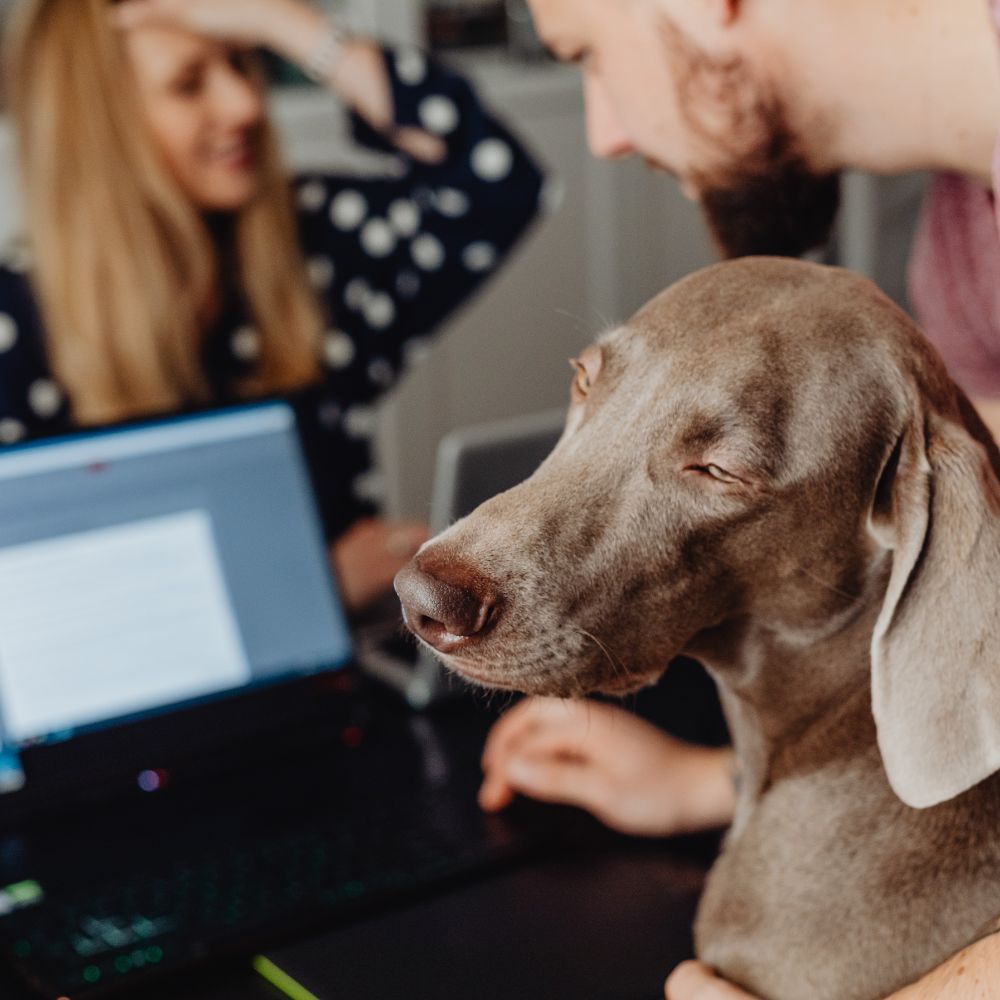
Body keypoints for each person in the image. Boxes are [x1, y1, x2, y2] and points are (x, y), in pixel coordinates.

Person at [480, 1, 1000, 997]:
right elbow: (960, 601)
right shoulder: (960, 244)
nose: (603, 132)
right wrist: (708, 783)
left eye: (587, 53)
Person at [0, 0, 545, 611]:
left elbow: (497, 183)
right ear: (94, 125)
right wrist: (316, 590)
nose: (246, 105)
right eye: (189, 84)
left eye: (241, 62)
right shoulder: (15, 329)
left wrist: (285, 25)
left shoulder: (310, 243)